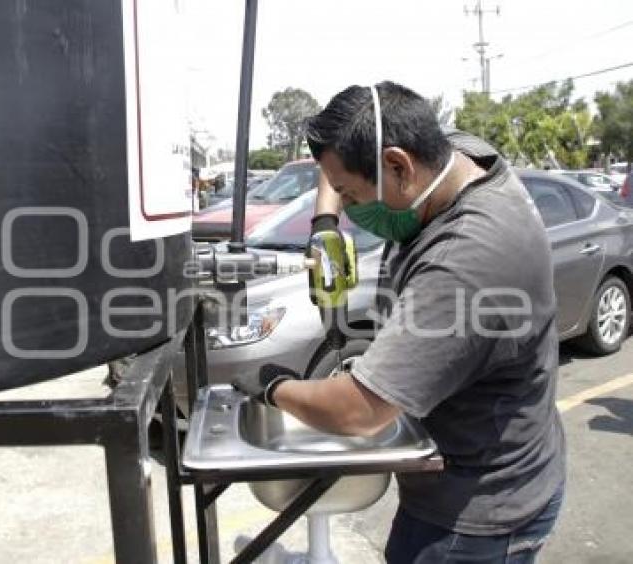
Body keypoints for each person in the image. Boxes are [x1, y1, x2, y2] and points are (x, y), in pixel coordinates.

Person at [232, 81, 566, 563]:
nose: (348, 207)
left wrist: (272, 386)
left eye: (350, 194)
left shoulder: (465, 262)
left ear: (398, 166)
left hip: (479, 514)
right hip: (502, 466)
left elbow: (358, 412)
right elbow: (345, 153)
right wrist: (325, 220)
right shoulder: (456, 155)